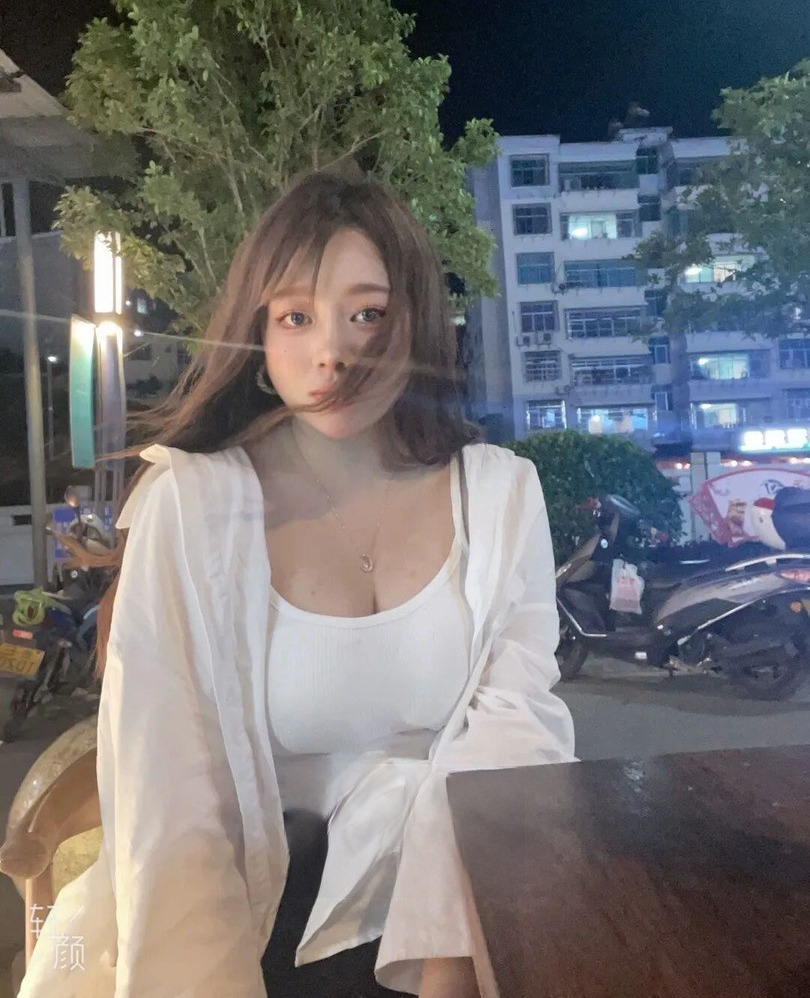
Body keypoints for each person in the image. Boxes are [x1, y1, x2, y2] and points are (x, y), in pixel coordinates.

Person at [17, 165, 576, 998]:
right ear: (258, 334)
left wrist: (453, 962)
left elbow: (517, 733)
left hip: (454, 919)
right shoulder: (193, 507)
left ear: (417, 321)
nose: (333, 352)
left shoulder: (498, 496)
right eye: (296, 316)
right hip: (248, 923)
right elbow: (169, 799)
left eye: (368, 313)